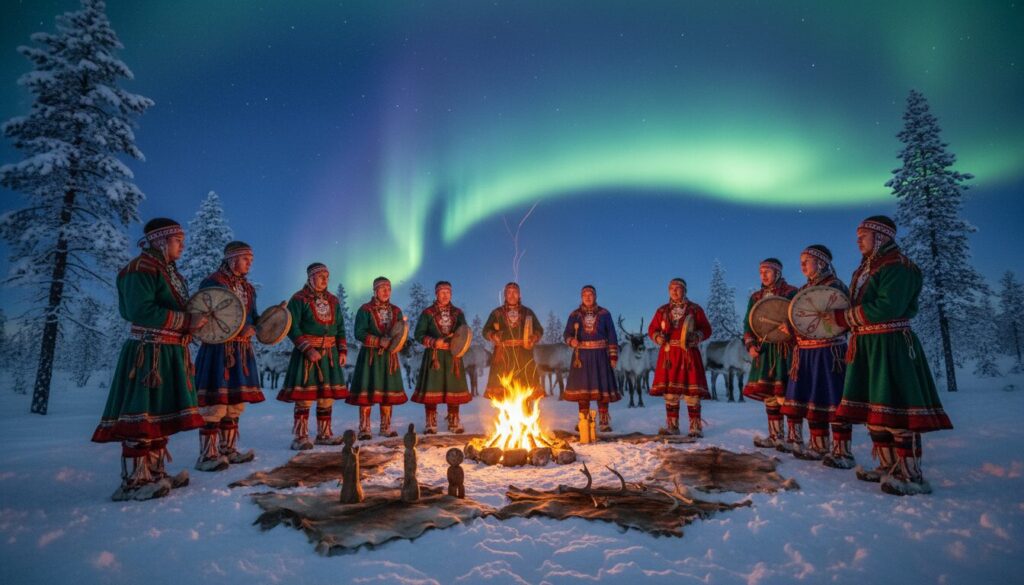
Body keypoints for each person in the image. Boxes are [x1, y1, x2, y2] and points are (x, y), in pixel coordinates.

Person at [826, 216, 953, 495]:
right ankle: (887, 466)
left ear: (881, 237)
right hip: (867, 345)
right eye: (857, 235)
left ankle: (910, 475)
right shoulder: (868, 267)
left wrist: (842, 317)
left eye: (864, 235)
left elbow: (888, 306)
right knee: (876, 408)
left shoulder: (899, 266)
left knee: (896, 405)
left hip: (890, 344)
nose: (858, 240)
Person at [91, 218, 206, 501]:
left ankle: (154, 474)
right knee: (142, 413)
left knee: (158, 415)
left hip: (169, 352)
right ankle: (133, 482)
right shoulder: (139, 269)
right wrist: (187, 321)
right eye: (178, 240)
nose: (183, 245)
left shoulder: (171, 273)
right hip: (148, 354)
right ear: (161, 241)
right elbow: (139, 310)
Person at [192, 241, 265, 471]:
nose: (249, 264)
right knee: (215, 403)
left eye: (251, 261)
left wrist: (255, 326)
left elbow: (253, 315)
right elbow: (205, 314)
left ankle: (228, 450)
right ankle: (207, 455)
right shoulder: (213, 282)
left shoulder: (249, 289)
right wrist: (236, 328)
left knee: (235, 403)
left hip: (241, 350)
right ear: (232, 259)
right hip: (218, 350)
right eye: (246, 260)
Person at [779, 245, 853, 465]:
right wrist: (790, 328)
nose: (802, 265)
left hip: (829, 352)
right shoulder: (805, 289)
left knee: (832, 399)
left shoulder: (835, 286)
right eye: (801, 261)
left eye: (807, 261)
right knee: (812, 400)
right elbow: (803, 322)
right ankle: (819, 446)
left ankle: (842, 452)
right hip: (806, 353)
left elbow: (841, 319)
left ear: (821, 262)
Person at [277, 263, 349, 450]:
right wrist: (307, 348)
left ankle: (324, 434)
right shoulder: (299, 299)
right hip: (307, 354)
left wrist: (342, 350)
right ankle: (301, 437)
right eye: (320, 276)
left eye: (327, 276)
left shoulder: (333, 300)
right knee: (305, 396)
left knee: (326, 396)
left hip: (330, 354)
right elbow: (292, 327)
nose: (325, 279)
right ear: (310, 278)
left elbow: (340, 327)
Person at [742, 258, 798, 448]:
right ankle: (776, 436)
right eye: (761, 272)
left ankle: (793, 439)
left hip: (784, 350)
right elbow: (748, 324)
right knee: (770, 396)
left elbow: (799, 318)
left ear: (778, 273)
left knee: (786, 395)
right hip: (764, 351)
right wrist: (750, 344)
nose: (763, 275)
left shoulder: (791, 292)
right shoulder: (756, 298)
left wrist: (790, 328)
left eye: (767, 271)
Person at [647, 278, 712, 437]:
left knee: (692, 392)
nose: (674, 291)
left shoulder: (695, 309)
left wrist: (697, 336)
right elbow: (652, 329)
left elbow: (707, 329)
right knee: (670, 392)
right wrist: (657, 337)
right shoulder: (662, 311)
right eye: (671, 288)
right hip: (669, 355)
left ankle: (695, 428)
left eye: (678, 288)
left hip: (688, 353)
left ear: (684, 290)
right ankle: (672, 427)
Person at [347, 276, 408, 439]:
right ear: (375, 291)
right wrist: (379, 340)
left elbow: (401, 332)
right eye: (382, 288)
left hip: (389, 357)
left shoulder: (396, 311)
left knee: (387, 391)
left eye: (388, 288)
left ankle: (385, 427)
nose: (386, 292)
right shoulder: (365, 310)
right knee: (367, 390)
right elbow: (358, 333)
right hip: (370, 356)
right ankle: (365, 428)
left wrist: (398, 341)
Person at [411, 281, 473, 433]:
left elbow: (464, 332)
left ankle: (454, 421)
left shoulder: (458, 313)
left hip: (453, 356)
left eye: (448, 292)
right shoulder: (427, 313)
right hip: (434, 357)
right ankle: (431, 423)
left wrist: (457, 343)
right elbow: (418, 334)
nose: (445, 295)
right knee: (433, 389)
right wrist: (433, 342)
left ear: (451, 294)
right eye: (442, 292)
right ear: (436, 294)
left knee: (453, 388)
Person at [562, 285, 621, 432]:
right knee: (583, 389)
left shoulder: (605, 314)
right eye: (585, 295)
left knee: (601, 388)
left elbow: (612, 335)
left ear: (595, 296)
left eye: (591, 294)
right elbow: (566, 334)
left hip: (601, 355)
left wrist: (613, 355)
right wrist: (571, 341)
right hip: (581, 356)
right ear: (581, 297)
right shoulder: (574, 315)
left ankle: (604, 421)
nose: (588, 297)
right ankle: (584, 420)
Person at [483, 282, 544, 400]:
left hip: (524, 354)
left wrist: (534, 337)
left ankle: (526, 414)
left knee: (525, 386)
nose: (512, 295)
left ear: (519, 295)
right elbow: (485, 330)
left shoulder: (528, 312)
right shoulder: (497, 313)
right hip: (503, 354)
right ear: (505, 295)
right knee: (503, 387)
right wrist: (494, 335)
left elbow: (539, 329)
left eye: (515, 292)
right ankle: (506, 415)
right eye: (509, 292)